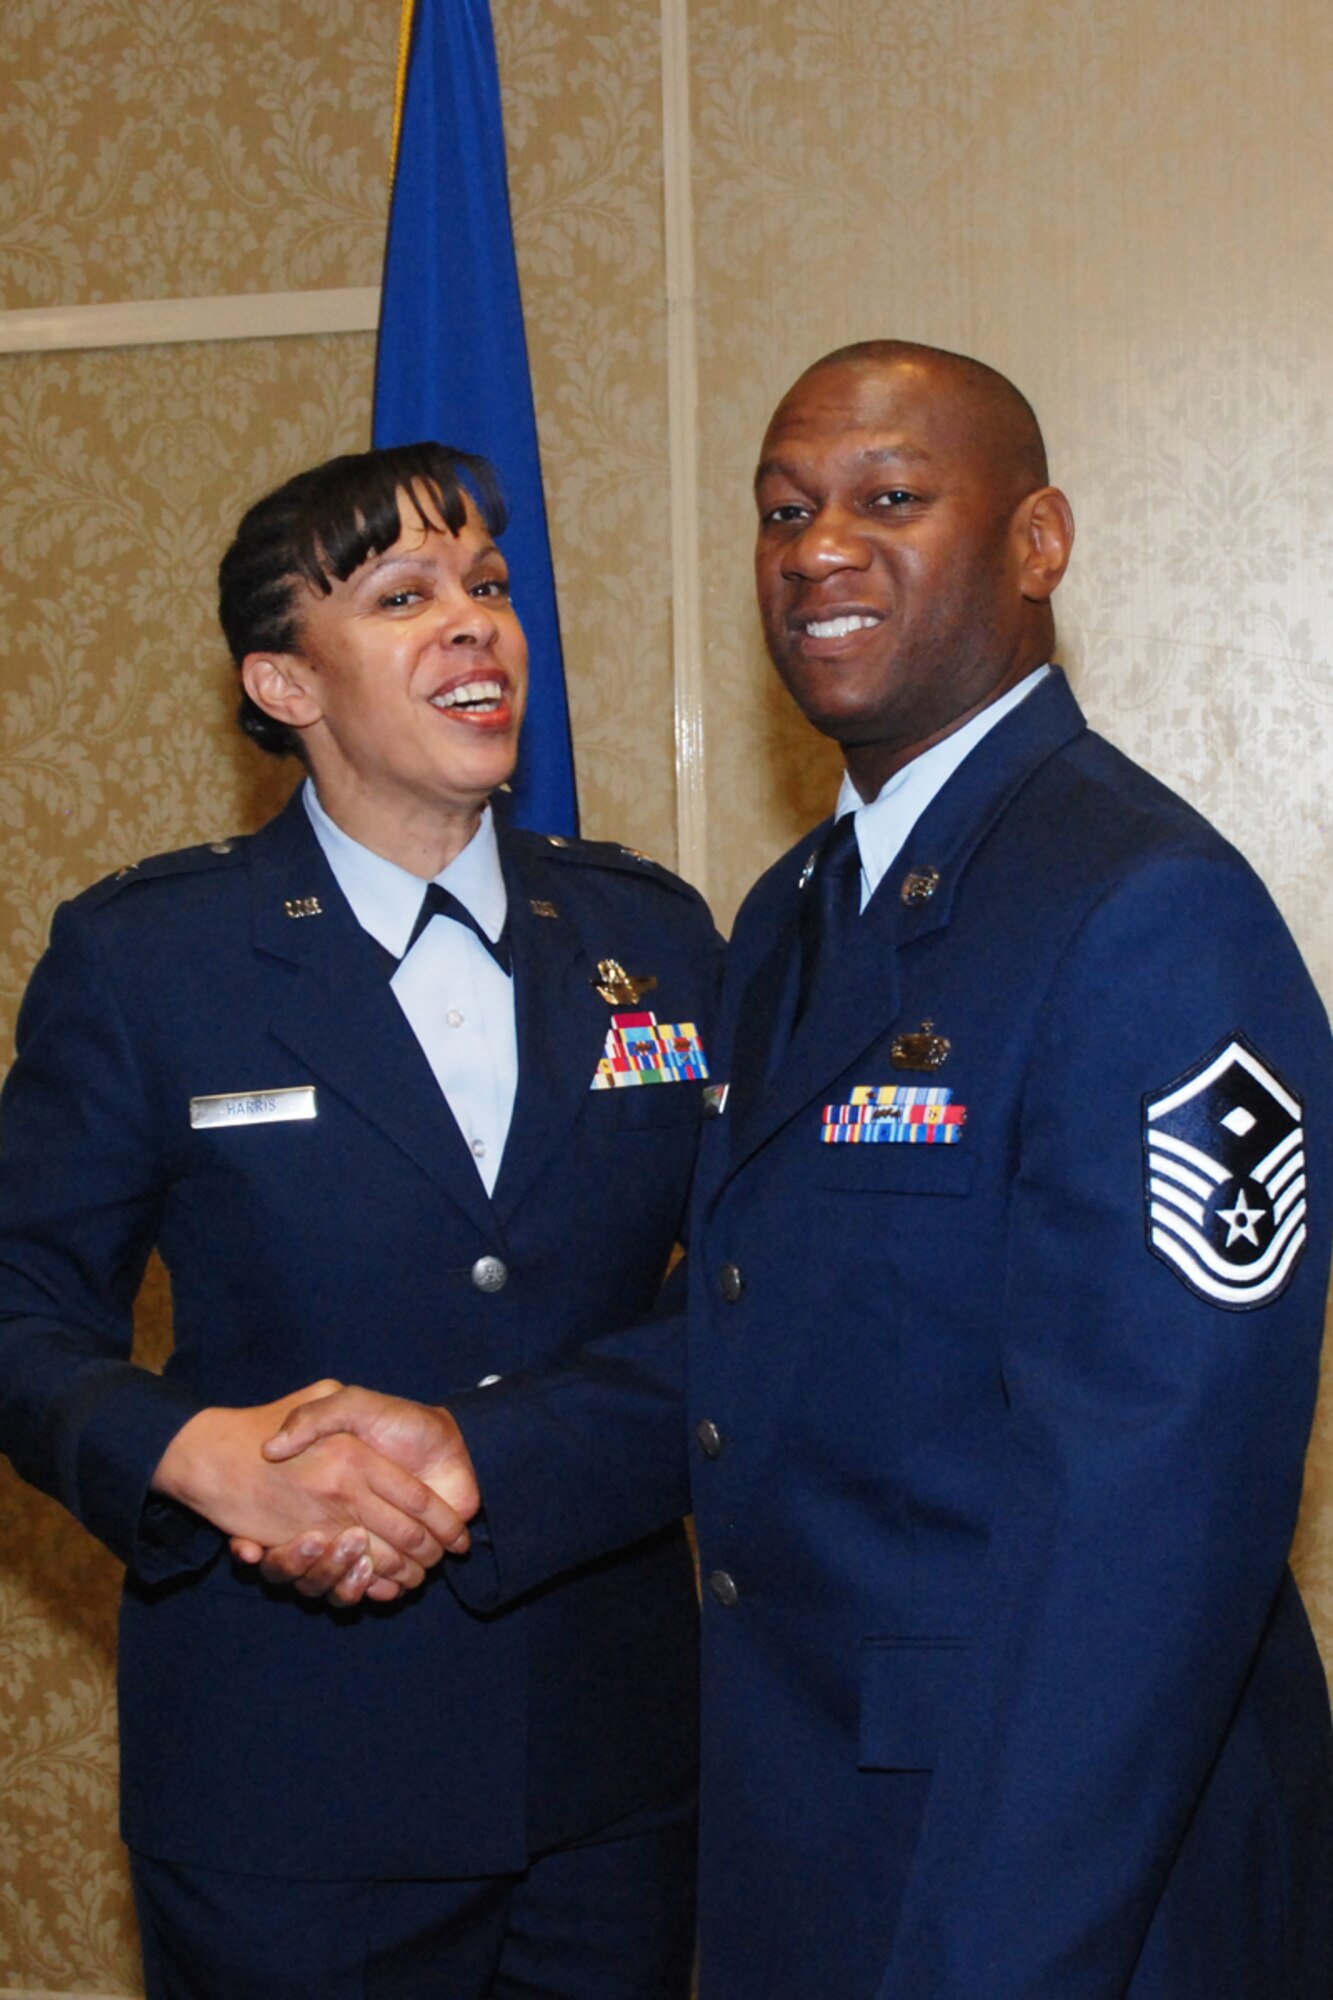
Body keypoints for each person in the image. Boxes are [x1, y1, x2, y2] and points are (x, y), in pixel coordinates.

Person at [262, 346, 1333, 1997]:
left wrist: (993, 1961)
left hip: (1048, 1885)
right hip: (806, 1837)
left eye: (889, 499)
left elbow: (1151, 1528)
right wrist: (476, 1447)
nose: (817, 547)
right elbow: (763, 1334)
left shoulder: (1142, 913)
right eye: (781, 510)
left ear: (1037, 541)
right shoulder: (787, 915)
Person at [0, 440, 718, 1998]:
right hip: (284, 1784)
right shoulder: (151, 961)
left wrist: (503, 1455)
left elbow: (751, 1297)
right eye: (404, 596)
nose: (475, 624)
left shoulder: (651, 937)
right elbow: (18, 1308)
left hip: (610, 1773)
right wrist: (196, 1462)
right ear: (283, 686)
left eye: (489, 587)